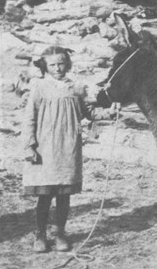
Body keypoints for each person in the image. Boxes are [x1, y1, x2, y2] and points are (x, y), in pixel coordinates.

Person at [23, 46, 91, 253]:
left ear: (67, 63)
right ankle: (40, 234)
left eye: (61, 63)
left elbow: (88, 111)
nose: (58, 68)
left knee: (64, 194)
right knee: (45, 194)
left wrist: (109, 110)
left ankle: (60, 233)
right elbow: (29, 118)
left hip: (68, 147)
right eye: (52, 64)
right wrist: (29, 145)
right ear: (45, 66)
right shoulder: (39, 87)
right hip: (45, 147)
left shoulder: (76, 87)